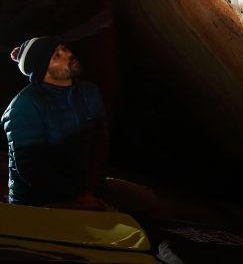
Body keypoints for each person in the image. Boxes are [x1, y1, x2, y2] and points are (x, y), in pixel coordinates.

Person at [2, 36, 153, 212]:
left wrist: (90, 191)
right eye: (57, 56)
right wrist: (78, 198)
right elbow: (32, 170)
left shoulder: (89, 92)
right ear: (42, 70)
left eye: (64, 48)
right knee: (111, 219)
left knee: (148, 202)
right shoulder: (24, 106)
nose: (68, 54)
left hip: (85, 190)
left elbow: (99, 145)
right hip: (39, 202)